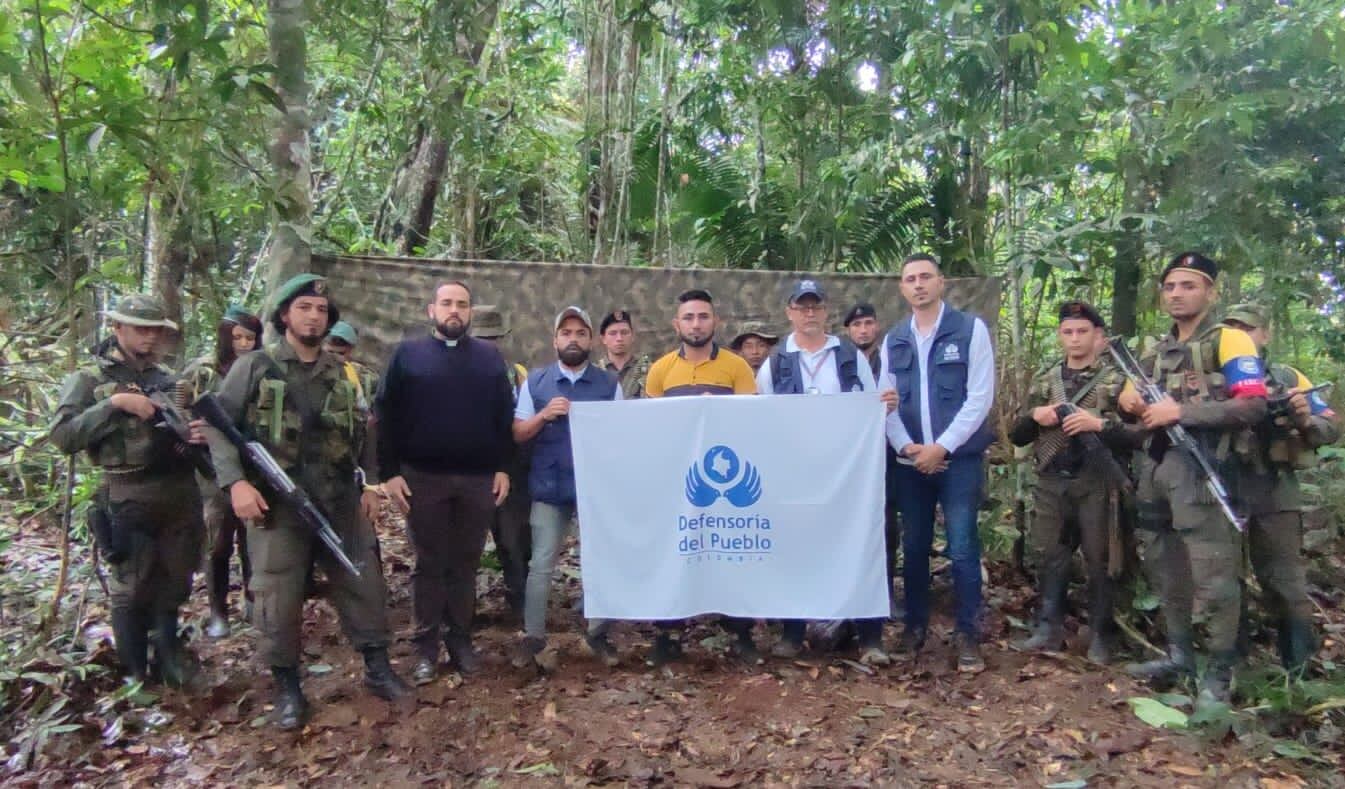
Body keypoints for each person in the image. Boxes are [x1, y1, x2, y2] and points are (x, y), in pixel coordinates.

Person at [205, 274, 409, 730]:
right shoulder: (255, 366)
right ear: (284, 316)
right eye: (304, 308)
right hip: (277, 505)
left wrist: (370, 486)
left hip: (337, 499)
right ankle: (287, 687)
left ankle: (377, 669)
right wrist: (236, 484)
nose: (314, 316)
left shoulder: (339, 372)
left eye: (321, 310)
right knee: (277, 596)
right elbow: (219, 426)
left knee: (364, 581)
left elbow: (362, 434)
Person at [1117, 252, 1267, 705]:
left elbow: (1254, 406)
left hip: (1204, 468)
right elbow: (1129, 397)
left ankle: (1219, 672)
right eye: (1170, 286)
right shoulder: (1156, 348)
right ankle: (1180, 655)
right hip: (1157, 467)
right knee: (1165, 567)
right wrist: (1132, 403)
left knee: (1214, 574)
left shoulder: (1232, 341)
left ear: (1211, 292)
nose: (1178, 294)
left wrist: (1182, 411)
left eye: (1189, 285)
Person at [52, 295, 205, 687]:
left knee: (175, 580)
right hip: (127, 492)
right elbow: (64, 436)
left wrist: (197, 433)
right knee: (131, 588)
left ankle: (170, 658)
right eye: (140, 329)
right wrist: (115, 404)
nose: (149, 338)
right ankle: (135, 673)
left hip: (177, 490)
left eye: (155, 330)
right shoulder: (90, 380)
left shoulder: (166, 379)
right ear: (117, 329)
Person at [375, 282, 514, 685]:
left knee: (466, 563)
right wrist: (389, 474)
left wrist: (503, 467)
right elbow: (384, 417)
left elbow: (503, 416)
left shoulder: (490, 358)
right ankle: (425, 648)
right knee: (430, 563)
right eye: (447, 304)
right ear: (431, 310)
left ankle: (461, 641)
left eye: (462, 305)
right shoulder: (408, 355)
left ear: (470, 313)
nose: (455, 311)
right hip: (423, 478)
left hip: (476, 479)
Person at [757, 280, 888, 665]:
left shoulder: (849, 355)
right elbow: (762, 415)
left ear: (826, 311)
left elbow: (872, 405)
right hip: (796, 473)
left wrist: (884, 405)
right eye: (802, 307)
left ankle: (870, 636)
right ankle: (793, 631)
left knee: (859, 544)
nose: (809, 313)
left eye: (815, 306)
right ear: (790, 312)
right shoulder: (777, 361)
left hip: (847, 473)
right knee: (795, 548)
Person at [879, 253, 996, 674]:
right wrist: (909, 447)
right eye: (910, 278)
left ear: (941, 282)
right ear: (902, 287)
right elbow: (885, 401)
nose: (918, 284)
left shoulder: (969, 330)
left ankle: (967, 634)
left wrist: (941, 447)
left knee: (963, 547)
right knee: (912, 548)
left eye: (926, 276)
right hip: (910, 462)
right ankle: (914, 628)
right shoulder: (894, 339)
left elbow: (979, 397)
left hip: (958, 460)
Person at [1008, 301, 1132, 664]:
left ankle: (1102, 635)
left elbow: (1136, 433)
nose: (1075, 339)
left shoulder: (1118, 378)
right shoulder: (1047, 379)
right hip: (1051, 478)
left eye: (1083, 331)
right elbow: (1017, 433)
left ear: (1099, 336)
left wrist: (1098, 423)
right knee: (1051, 556)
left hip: (1097, 480)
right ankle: (1048, 629)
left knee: (1101, 559)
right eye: (1068, 332)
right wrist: (1036, 415)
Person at [644, 289, 762, 665]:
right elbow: (653, 428)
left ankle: (741, 633)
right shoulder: (661, 370)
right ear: (676, 324)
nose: (696, 324)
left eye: (703, 317)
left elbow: (750, 423)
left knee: (729, 552)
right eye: (689, 317)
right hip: (678, 481)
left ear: (716, 322)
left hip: (726, 482)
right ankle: (668, 633)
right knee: (676, 552)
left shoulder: (736, 367)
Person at [1221, 303, 1339, 671]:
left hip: (1273, 486)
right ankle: (1232, 666)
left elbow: (1330, 427)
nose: (1239, 335)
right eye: (1232, 328)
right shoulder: (1209, 374)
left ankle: (1298, 668)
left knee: (1284, 580)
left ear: (1264, 335)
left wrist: (1303, 417)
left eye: (1247, 328)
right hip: (1219, 485)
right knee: (1223, 580)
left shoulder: (1287, 377)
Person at [511, 306, 623, 669]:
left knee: (601, 561)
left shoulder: (608, 384)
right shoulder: (537, 382)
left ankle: (597, 634)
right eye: (565, 333)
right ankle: (533, 638)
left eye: (579, 333)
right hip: (549, 485)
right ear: (554, 340)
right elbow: (518, 433)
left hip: (595, 489)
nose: (572, 339)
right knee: (542, 562)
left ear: (591, 340)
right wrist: (544, 415)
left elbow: (624, 434)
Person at [183, 305, 263, 639]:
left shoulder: (262, 368)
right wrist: (191, 431)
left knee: (252, 540)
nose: (243, 344)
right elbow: (176, 409)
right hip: (211, 470)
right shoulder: (202, 370)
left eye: (250, 338)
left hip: (252, 465)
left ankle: (252, 600)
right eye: (237, 337)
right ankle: (218, 611)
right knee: (217, 543)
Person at [471, 304, 532, 620]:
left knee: (515, 542)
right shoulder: (455, 373)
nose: (489, 345)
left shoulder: (518, 374)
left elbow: (526, 424)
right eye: (482, 338)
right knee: (465, 546)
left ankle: (520, 606)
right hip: (469, 472)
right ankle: (461, 614)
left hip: (510, 471)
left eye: (494, 338)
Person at [595, 309, 652, 399]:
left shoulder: (647, 369)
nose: (619, 338)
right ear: (603, 339)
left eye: (624, 332)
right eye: (613, 333)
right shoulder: (595, 372)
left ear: (632, 336)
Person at [843, 303, 882, 378]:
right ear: (847, 330)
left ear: (877, 326)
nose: (863, 330)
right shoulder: (840, 362)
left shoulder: (888, 358)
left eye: (869, 323)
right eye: (856, 324)